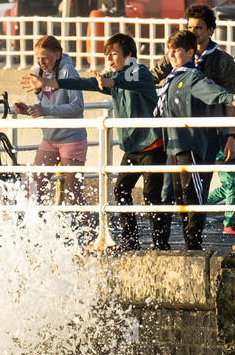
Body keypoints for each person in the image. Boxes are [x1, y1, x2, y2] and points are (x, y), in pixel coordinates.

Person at [34, 32, 167, 249]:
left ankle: (161, 244)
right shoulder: (112, 76)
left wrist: (109, 81)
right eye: (108, 56)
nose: (110, 60)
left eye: (114, 55)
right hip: (133, 147)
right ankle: (131, 240)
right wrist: (50, 82)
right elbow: (85, 83)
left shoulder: (139, 71)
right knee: (121, 190)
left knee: (152, 195)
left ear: (129, 55)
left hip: (153, 145)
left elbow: (126, 81)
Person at [156, 29, 235, 250]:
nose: (172, 56)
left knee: (193, 193)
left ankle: (194, 242)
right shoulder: (172, 79)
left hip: (192, 145)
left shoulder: (192, 76)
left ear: (190, 52)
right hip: (174, 145)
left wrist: (231, 98)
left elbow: (212, 91)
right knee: (179, 195)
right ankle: (189, 238)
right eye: (170, 51)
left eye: (176, 51)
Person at [16, 35, 86, 206]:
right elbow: (46, 104)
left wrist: (44, 109)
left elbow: (77, 106)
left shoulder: (68, 72)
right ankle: (35, 228)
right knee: (33, 189)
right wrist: (28, 109)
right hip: (50, 138)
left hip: (71, 139)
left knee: (74, 194)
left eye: (45, 58)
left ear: (58, 54)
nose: (41, 62)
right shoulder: (40, 72)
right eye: (38, 58)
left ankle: (93, 232)